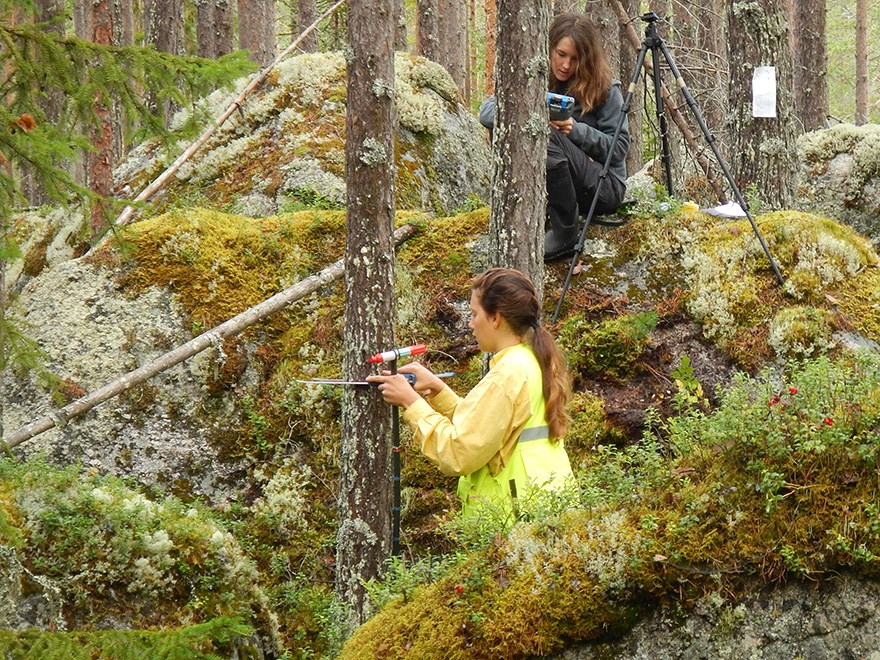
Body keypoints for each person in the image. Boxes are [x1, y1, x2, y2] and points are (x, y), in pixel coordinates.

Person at [368, 268, 574, 522]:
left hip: (513, 522)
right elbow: (488, 427)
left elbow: (459, 453)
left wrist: (411, 403)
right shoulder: (531, 359)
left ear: (495, 318)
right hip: (542, 511)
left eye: (475, 314)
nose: (470, 323)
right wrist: (438, 390)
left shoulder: (507, 375)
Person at [479, 13, 630, 262]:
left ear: (587, 59)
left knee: (544, 132)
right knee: (518, 124)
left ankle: (566, 232)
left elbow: (619, 148)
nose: (566, 65)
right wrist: (526, 112)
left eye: (575, 59)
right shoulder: (533, 76)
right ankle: (522, 207)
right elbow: (487, 113)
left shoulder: (605, 89)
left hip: (603, 187)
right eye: (561, 54)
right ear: (548, 49)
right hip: (562, 183)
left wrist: (574, 129)